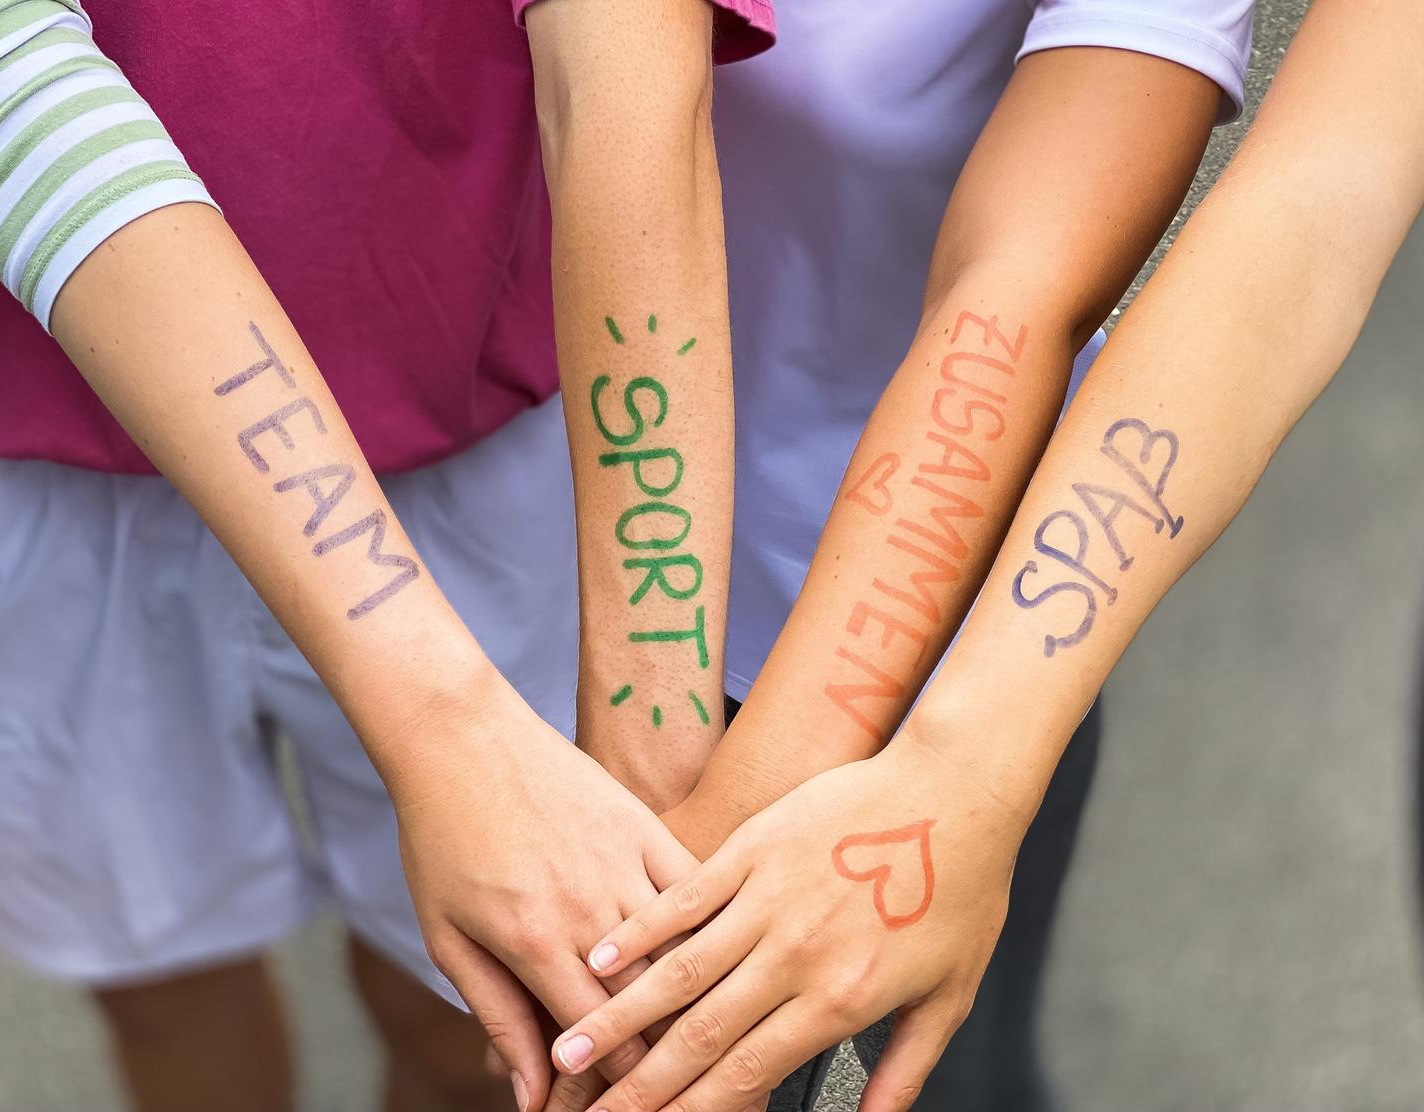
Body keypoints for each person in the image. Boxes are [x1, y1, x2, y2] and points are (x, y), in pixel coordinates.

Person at [551, 1, 1424, 1110]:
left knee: (963, 1069)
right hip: (534, 561)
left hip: (965, 630)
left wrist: (953, 770)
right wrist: (657, 777)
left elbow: (1299, 200)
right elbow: (622, 109)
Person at [0, 1, 771, 1109]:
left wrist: (654, 754)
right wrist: (444, 720)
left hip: (469, 410)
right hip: (26, 434)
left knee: (489, 1008)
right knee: (160, 979)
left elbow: (625, 71)